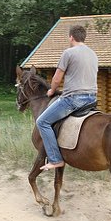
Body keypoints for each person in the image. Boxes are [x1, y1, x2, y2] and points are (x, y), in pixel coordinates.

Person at [36, 25, 98, 170]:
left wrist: (52, 90)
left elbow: (57, 78)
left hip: (74, 100)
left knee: (42, 122)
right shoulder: (93, 54)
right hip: (92, 99)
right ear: (84, 37)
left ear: (71, 37)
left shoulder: (68, 53)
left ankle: (55, 159)